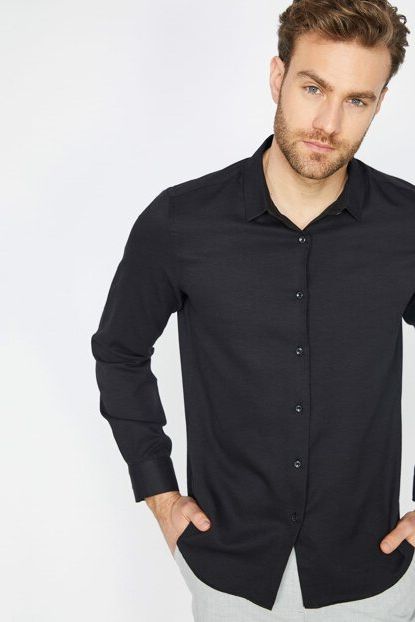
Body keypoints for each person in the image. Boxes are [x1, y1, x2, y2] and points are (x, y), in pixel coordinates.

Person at [90, 0, 415, 619]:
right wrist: (158, 492)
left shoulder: (408, 225)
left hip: (373, 577)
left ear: (379, 104)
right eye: (313, 87)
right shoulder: (181, 222)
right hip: (229, 577)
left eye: (356, 100)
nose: (328, 122)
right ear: (277, 77)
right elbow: (119, 351)